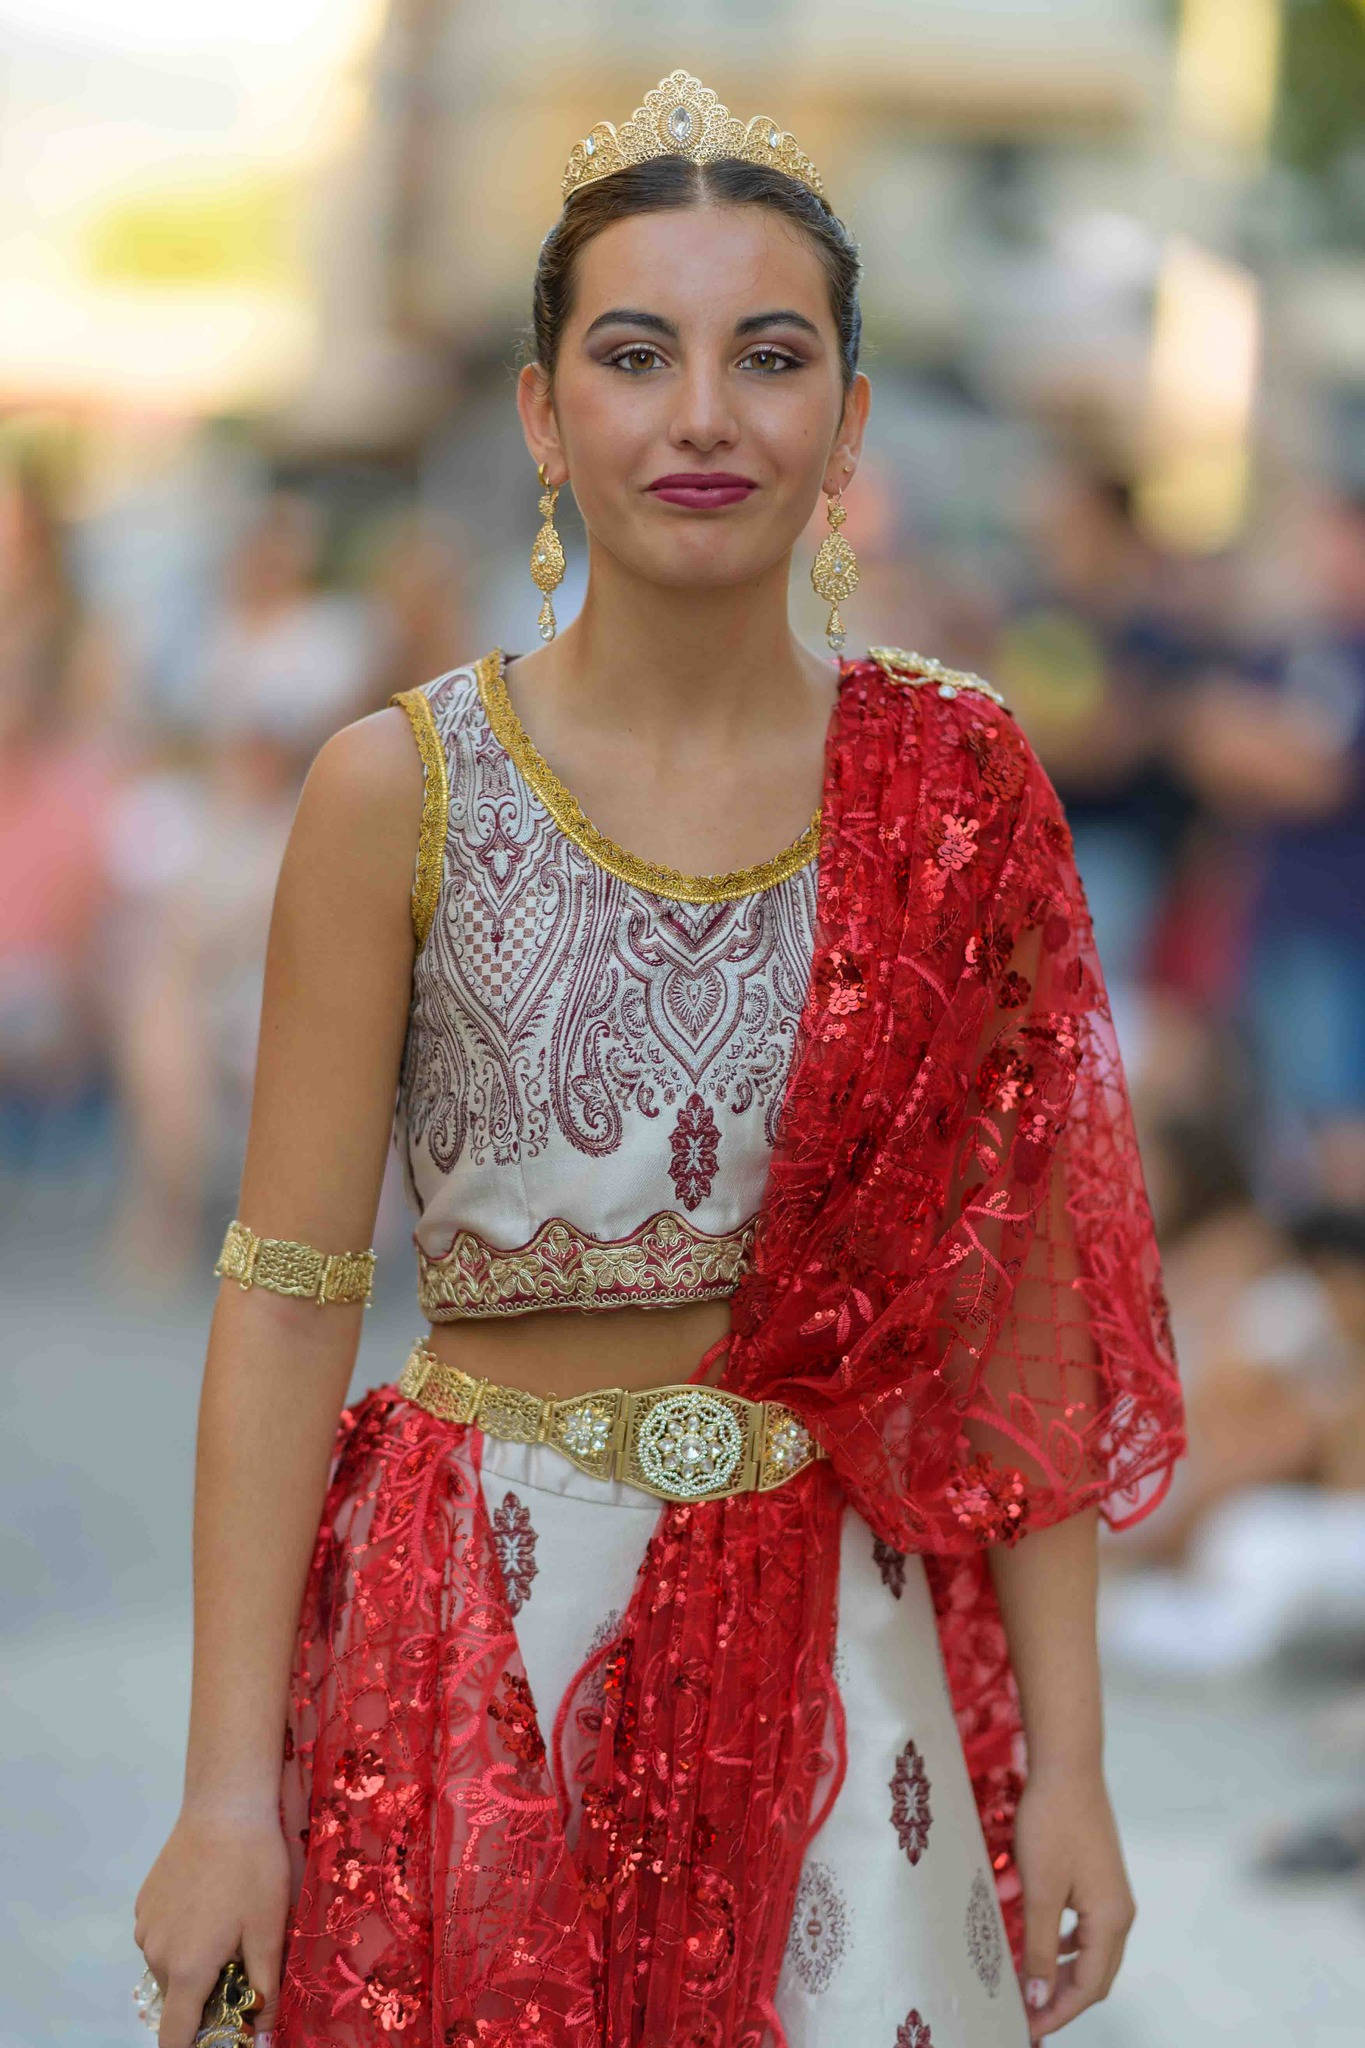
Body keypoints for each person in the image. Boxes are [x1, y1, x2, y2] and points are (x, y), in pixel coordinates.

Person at [131, 70, 1185, 2048]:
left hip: (845, 1649)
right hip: (468, 1643)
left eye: (768, 358)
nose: (703, 414)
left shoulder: (955, 784)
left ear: (848, 426)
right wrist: (220, 1797)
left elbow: (1017, 1302)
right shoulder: (397, 790)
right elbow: (284, 1296)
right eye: (635, 356)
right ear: (544, 415)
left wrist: (1072, 1767)